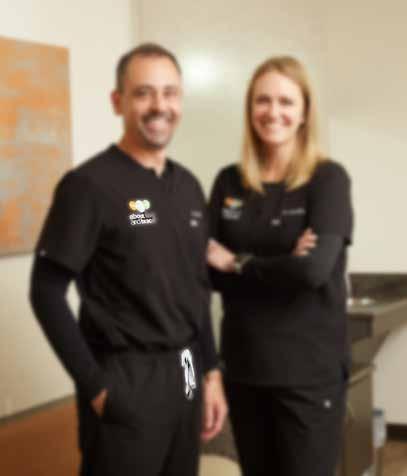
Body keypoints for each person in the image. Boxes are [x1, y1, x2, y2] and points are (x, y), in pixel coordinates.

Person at [29, 43, 227, 476]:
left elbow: (195, 287)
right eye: (143, 93)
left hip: (187, 367)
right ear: (117, 101)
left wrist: (210, 374)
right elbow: (45, 291)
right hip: (127, 377)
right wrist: (96, 387)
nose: (160, 106)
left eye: (170, 93)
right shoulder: (89, 186)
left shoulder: (188, 187)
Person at [207, 56, 353, 476]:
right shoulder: (228, 181)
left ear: (305, 112)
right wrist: (284, 261)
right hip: (245, 367)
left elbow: (313, 271)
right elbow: (204, 270)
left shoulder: (327, 180)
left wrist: (237, 262)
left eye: (286, 101)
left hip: (308, 374)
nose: (273, 112)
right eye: (263, 100)